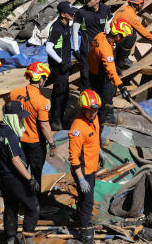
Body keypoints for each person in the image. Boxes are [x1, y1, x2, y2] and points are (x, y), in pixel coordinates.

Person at [0, 101, 40, 244]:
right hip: (14, 177)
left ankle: (10, 238)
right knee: (33, 207)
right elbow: (16, 161)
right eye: (19, 117)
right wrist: (30, 178)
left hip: (2, 176)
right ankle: (27, 239)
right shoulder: (10, 135)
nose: (21, 120)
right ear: (12, 117)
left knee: (11, 207)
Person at [9, 62, 57, 188]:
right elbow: (44, 126)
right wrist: (52, 143)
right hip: (35, 143)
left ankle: (20, 200)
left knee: (21, 172)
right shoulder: (41, 101)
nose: (45, 81)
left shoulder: (14, 93)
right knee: (36, 174)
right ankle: (35, 203)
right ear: (40, 79)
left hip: (18, 139)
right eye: (44, 78)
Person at [68, 89, 102, 244]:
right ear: (82, 108)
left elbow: (94, 139)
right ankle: (86, 234)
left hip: (91, 168)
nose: (93, 113)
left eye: (95, 110)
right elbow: (74, 157)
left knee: (84, 199)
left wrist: (100, 151)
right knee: (88, 202)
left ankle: (79, 217)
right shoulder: (77, 128)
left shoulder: (94, 119)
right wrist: (81, 178)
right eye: (90, 111)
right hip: (83, 171)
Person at [87, 18, 134, 125]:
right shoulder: (106, 49)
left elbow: (91, 56)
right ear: (117, 35)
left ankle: (103, 115)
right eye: (122, 37)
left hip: (94, 69)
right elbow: (111, 71)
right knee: (106, 96)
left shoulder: (100, 35)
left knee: (103, 94)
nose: (123, 39)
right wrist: (122, 88)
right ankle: (104, 119)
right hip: (100, 74)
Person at [72, 0, 112, 91]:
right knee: (86, 74)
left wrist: (111, 42)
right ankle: (85, 96)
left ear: (98, 0)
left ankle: (98, 97)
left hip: (102, 48)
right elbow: (75, 31)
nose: (87, 1)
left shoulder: (105, 9)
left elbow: (108, 25)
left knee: (101, 73)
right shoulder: (81, 12)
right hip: (87, 49)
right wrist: (76, 49)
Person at [113, 0, 152, 68]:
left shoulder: (123, 9)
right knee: (132, 37)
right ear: (138, 4)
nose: (143, 5)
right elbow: (142, 31)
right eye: (142, 3)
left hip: (113, 38)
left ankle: (119, 57)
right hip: (116, 42)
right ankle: (122, 60)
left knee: (131, 33)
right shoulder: (130, 15)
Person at [46, 1, 76, 130]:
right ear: (63, 14)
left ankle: (61, 117)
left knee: (64, 91)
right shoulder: (57, 27)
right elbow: (48, 48)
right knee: (60, 92)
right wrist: (60, 62)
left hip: (65, 63)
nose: (73, 15)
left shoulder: (66, 24)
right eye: (70, 13)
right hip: (58, 66)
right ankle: (55, 120)